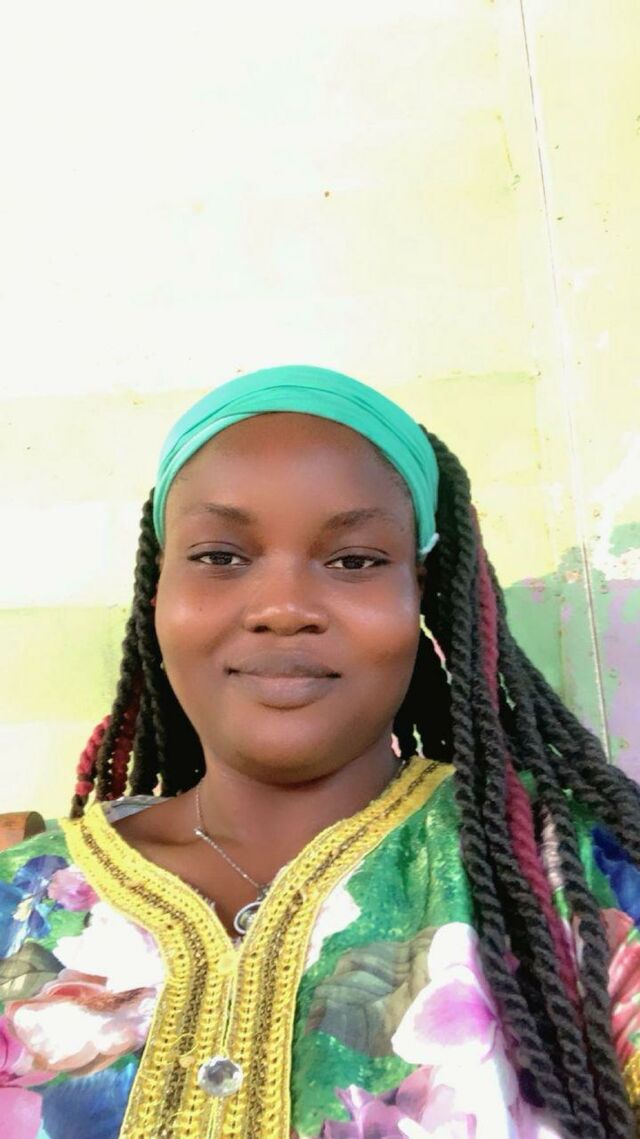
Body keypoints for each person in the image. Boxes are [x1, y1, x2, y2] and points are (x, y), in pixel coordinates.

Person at [0, 365, 638, 1139]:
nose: (282, 608)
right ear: (157, 590)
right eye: (220, 556)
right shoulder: (18, 904)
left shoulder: (582, 881)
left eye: (355, 560)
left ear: (422, 594)